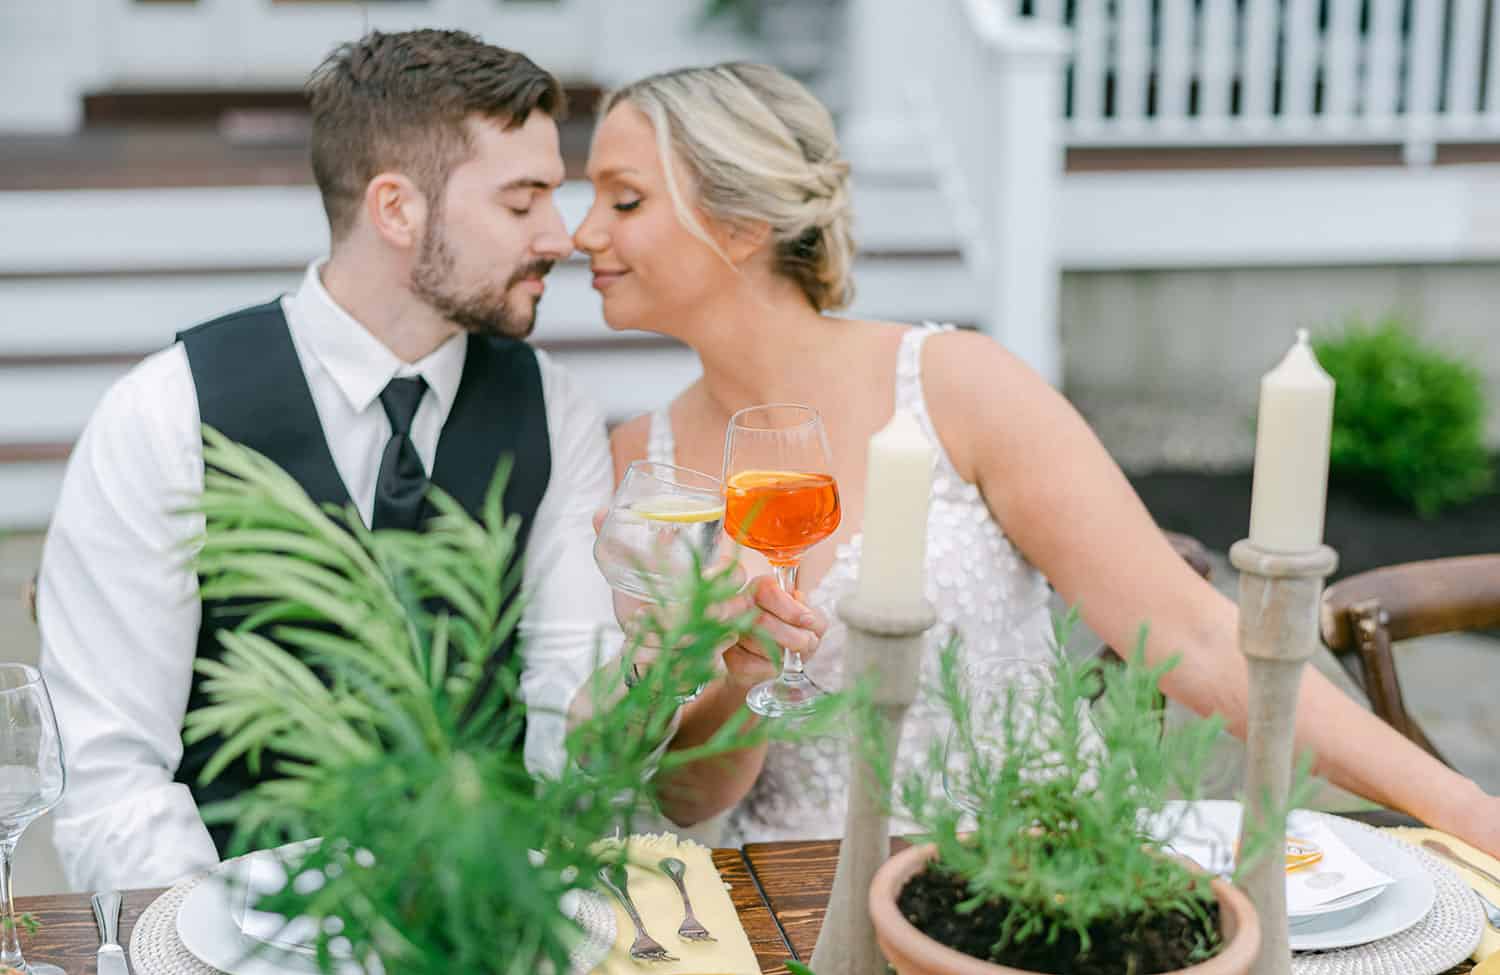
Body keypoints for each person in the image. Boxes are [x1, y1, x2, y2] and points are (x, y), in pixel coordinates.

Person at [573, 61, 1500, 852]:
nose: (584, 234)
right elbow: (686, 794)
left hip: (1041, 866)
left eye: (624, 199)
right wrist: (738, 674)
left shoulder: (956, 384)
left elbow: (1200, 638)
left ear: (741, 224)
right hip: (794, 909)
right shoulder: (639, 468)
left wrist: (1465, 812)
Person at [37, 32, 814, 893]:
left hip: (487, 932)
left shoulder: (554, 410)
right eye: (523, 203)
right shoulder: (163, 416)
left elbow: (572, 751)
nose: (561, 238)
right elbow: (108, 780)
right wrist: (228, 959)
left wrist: (651, 670)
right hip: (232, 936)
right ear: (396, 209)